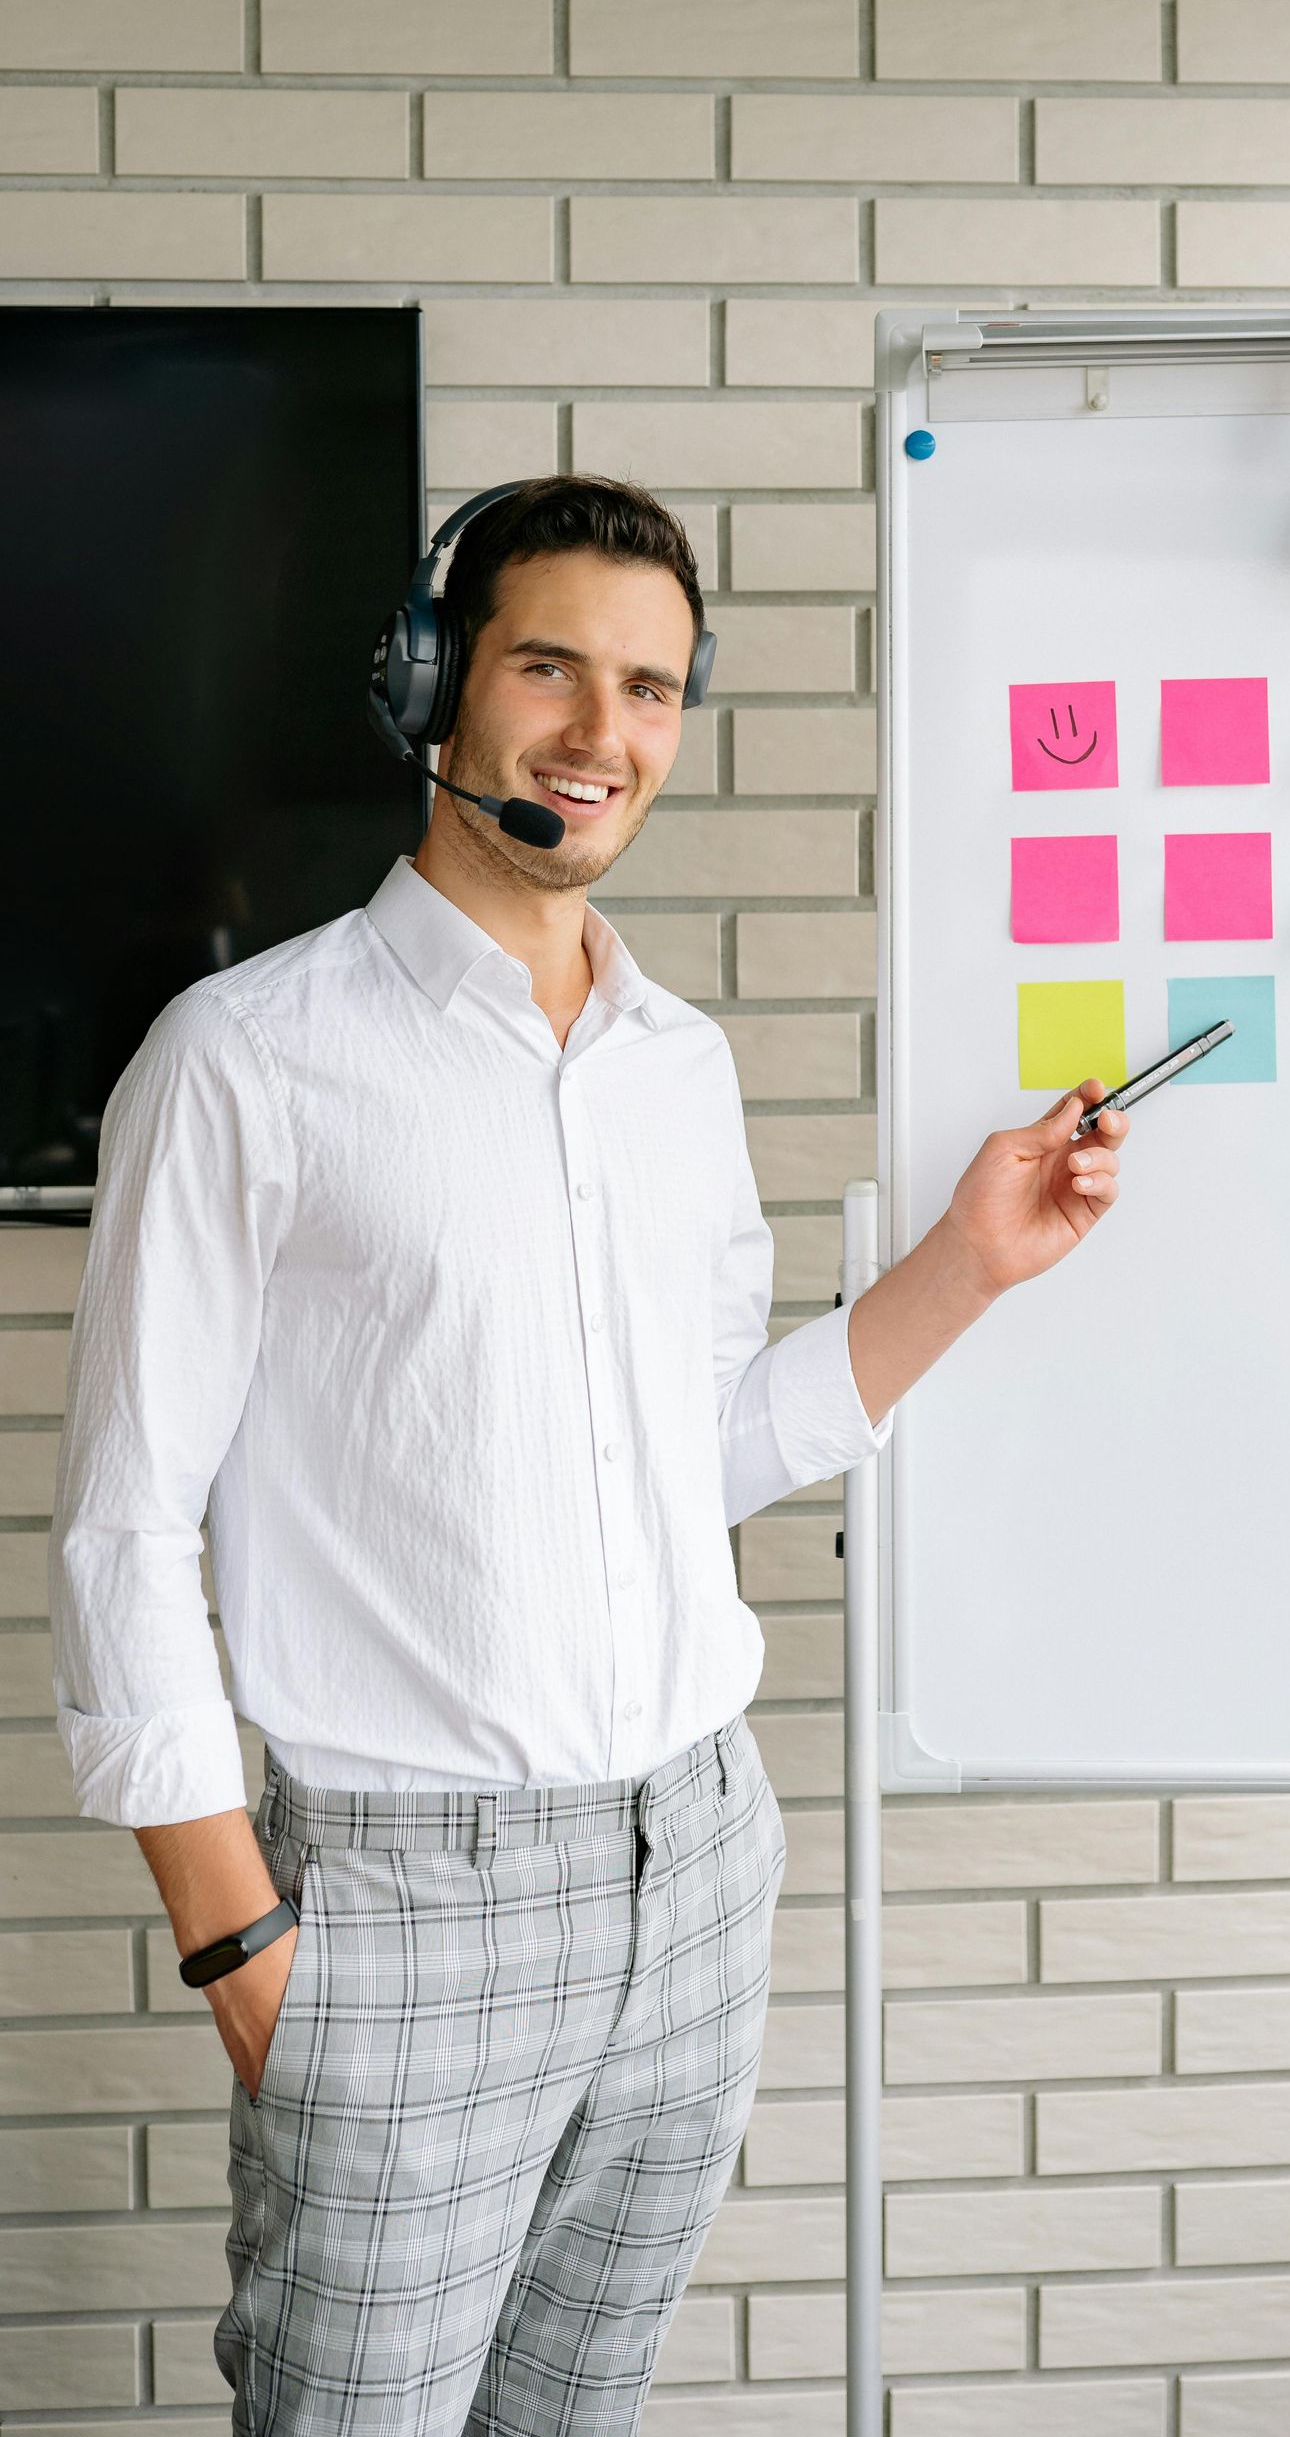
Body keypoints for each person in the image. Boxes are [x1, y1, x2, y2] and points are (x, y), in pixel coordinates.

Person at [48, 475, 1128, 2434]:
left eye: (649, 689)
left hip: (695, 1868)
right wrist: (244, 1953)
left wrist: (969, 1264)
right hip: (402, 1906)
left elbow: (695, 1450)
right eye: (550, 666)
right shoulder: (242, 1059)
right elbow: (123, 1527)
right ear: (431, 688)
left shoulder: (677, 1069)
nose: (600, 732)